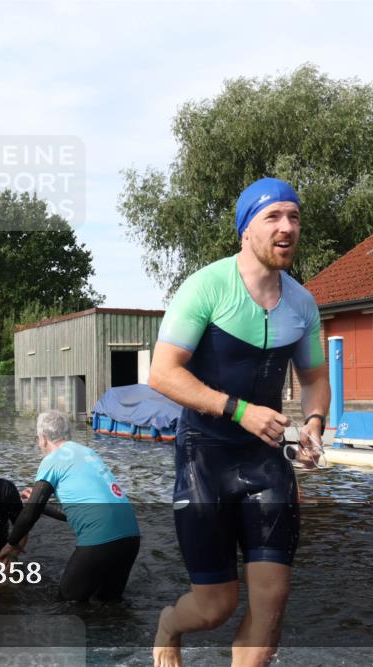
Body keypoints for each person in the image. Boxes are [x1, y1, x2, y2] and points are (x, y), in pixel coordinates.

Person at [148, 178, 330, 667]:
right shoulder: (207, 286)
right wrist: (239, 410)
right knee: (215, 608)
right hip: (204, 455)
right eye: (273, 217)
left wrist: (313, 424)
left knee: (271, 607)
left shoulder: (303, 304)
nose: (287, 227)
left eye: (293, 217)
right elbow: (163, 374)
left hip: (266, 460)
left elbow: (314, 380)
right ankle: (169, 624)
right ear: (245, 229)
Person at [0, 410, 140, 602]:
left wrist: (11, 543)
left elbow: (29, 515)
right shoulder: (88, 452)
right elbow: (74, 514)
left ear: (42, 438)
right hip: (130, 536)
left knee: (67, 603)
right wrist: (40, 504)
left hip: (100, 539)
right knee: (108, 603)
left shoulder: (52, 460)